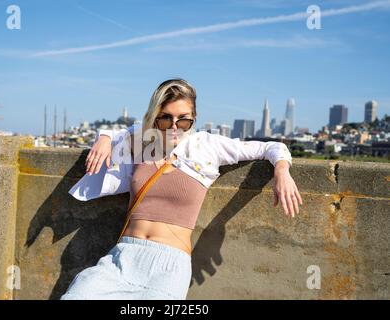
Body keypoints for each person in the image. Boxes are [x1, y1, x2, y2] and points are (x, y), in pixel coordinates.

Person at [61, 78, 302, 300]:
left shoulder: (208, 146)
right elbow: (117, 133)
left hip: (168, 266)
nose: (174, 126)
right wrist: (104, 139)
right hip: (121, 257)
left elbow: (271, 148)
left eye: (184, 120)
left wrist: (281, 172)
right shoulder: (143, 141)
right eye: (166, 118)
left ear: (194, 118)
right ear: (155, 116)